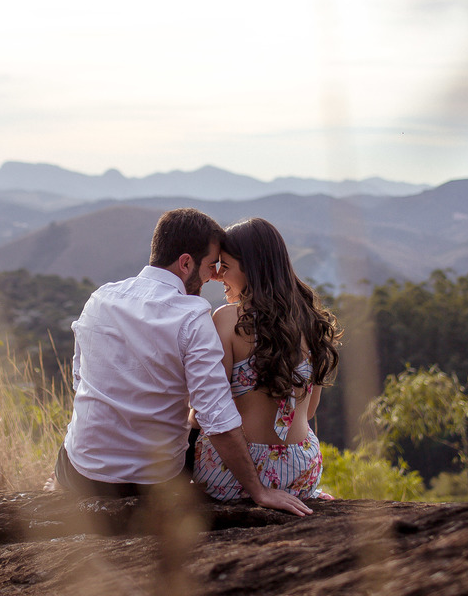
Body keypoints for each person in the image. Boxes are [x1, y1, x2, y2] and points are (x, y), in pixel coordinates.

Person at [55, 207, 312, 516]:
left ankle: (56, 483)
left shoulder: (99, 299)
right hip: (153, 482)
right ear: (186, 263)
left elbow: (80, 380)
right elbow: (215, 416)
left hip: (80, 473)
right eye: (211, 265)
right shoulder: (192, 317)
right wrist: (258, 490)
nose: (214, 276)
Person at [192, 217, 342, 501]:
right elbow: (309, 412)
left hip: (236, 473)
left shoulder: (227, 319)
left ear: (251, 269)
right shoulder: (311, 320)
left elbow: (207, 412)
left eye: (225, 266)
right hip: (301, 470)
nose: (218, 276)